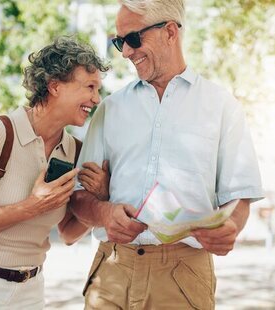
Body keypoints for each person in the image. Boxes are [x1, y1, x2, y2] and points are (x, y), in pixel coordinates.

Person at [70, 1, 264, 309]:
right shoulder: (110, 108)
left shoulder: (221, 106)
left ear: (170, 32)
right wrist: (105, 213)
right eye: (119, 42)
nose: (126, 52)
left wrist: (231, 228)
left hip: (183, 277)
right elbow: (78, 197)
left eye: (132, 39)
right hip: (111, 271)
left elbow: (239, 197)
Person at [0, 36, 110, 309]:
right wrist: (31, 207)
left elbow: (69, 234)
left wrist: (102, 197)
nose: (96, 99)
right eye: (89, 87)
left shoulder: (74, 151)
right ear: (54, 86)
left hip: (29, 292)